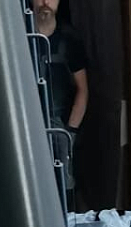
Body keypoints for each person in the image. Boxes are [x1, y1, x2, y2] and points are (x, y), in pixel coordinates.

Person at [34, 0, 88, 196]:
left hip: (60, 126)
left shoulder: (69, 38)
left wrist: (70, 132)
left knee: (63, 188)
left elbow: (83, 90)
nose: (45, 2)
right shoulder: (18, 37)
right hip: (28, 125)